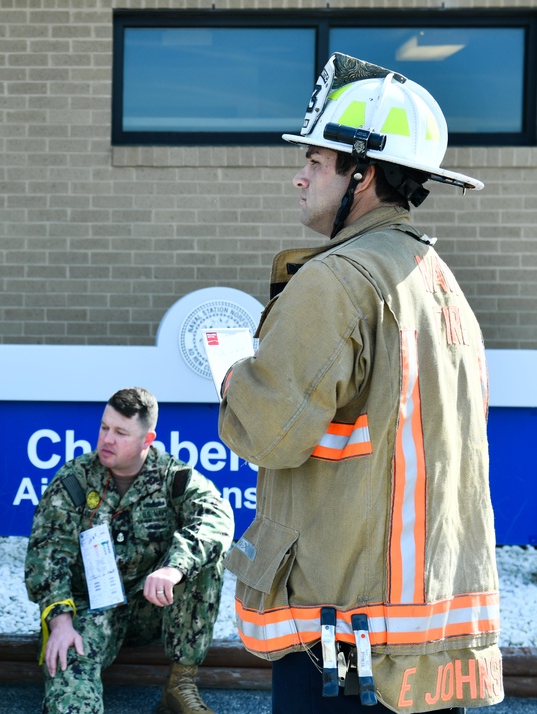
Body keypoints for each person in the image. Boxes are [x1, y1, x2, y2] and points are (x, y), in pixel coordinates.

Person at [218, 53, 502, 713]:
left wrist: (235, 380)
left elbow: (268, 431)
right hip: (425, 643)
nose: (298, 178)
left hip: (341, 641)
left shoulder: (336, 279)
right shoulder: (437, 280)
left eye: (315, 163)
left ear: (362, 173)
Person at [25, 387, 235, 714]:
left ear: (146, 439)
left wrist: (174, 567)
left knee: (203, 562)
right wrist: (61, 622)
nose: (107, 439)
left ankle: (181, 683)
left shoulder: (172, 478)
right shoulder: (76, 479)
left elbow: (216, 517)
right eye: (104, 427)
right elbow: (47, 552)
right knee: (69, 665)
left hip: (154, 608)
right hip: (92, 610)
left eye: (121, 432)